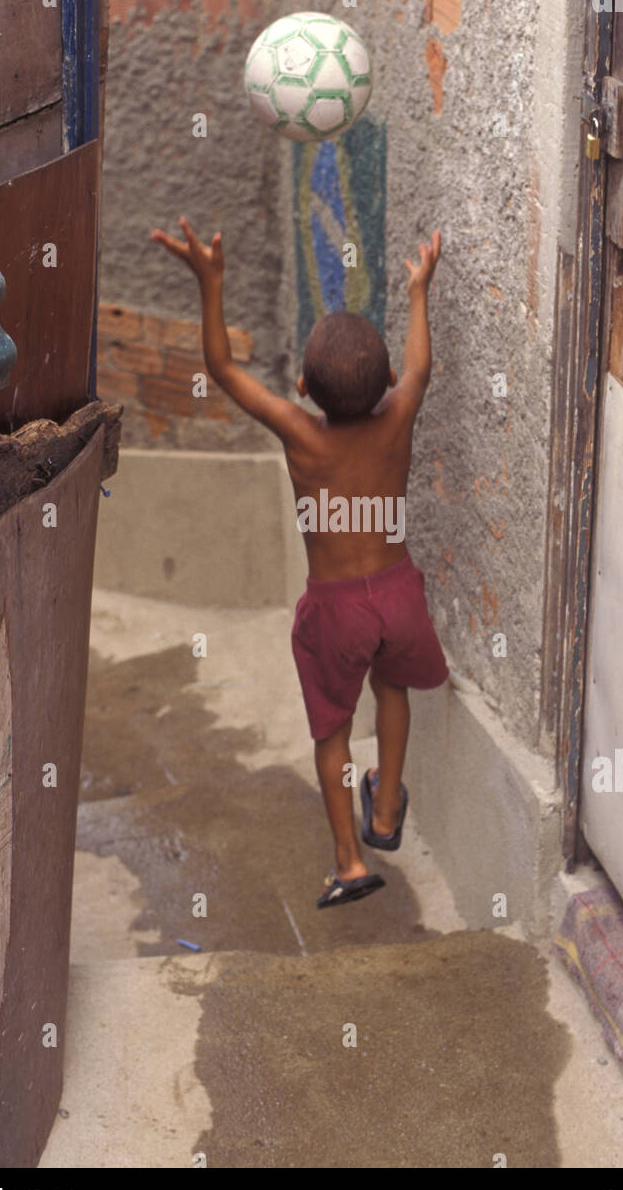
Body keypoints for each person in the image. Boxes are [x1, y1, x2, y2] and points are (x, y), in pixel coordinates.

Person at [151, 217, 448, 907]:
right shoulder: (398, 416)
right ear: (381, 387)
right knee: (392, 689)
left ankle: (349, 862)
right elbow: (421, 368)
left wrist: (211, 283)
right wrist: (417, 293)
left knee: (332, 731)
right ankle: (385, 809)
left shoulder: (299, 433)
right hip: (398, 593)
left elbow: (223, 369)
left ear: (306, 388)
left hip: (338, 608)